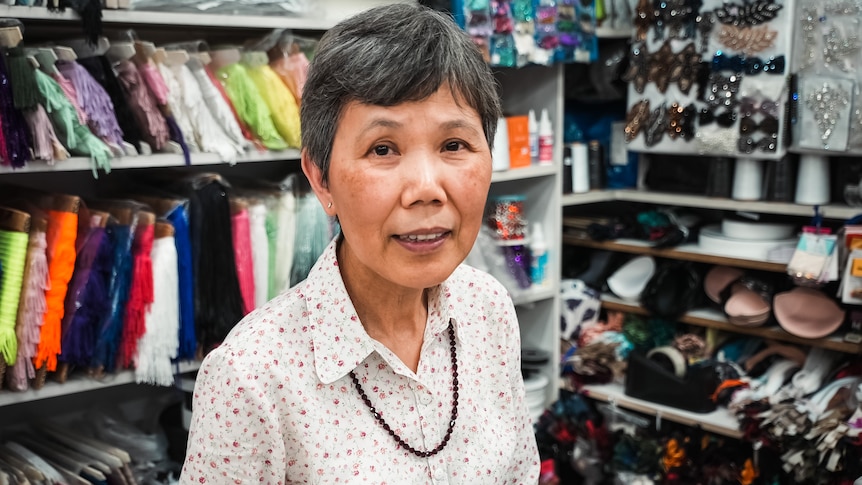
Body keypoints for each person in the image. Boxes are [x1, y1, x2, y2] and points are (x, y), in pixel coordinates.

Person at [180, 3, 540, 483]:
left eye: (454, 145)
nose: (427, 188)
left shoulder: (488, 310)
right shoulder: (252, 378)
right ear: (321, 179)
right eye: (383, 149)